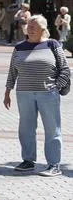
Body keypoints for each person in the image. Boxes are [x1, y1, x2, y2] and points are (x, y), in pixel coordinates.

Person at [4, 14, 67, 178]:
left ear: (43, 29)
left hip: (48, 94)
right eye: (28, 26)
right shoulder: (19, 47)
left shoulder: (52, 45)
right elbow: (12, 71)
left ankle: (54, 164)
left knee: (52, 129)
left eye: (33, 26)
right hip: (24, 93)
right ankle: (28, 161)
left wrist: (57, 86)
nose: (29, 29)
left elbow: (65, 69)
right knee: (26, 129)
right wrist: (7, 92)